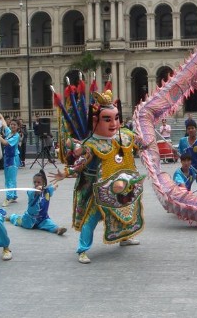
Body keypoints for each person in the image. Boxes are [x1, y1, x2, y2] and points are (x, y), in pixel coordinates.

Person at [50, 90, 146, 264]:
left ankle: (124, 238)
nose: (114, 123)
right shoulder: (92, 144)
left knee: (125, 212)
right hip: (99, 189)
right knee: (91, 219)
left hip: (123, 186)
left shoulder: (124, 135)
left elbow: (141, 144)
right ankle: (82, 250)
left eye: (116, 118)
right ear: (95, 121)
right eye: (107, 119)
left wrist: (147, 142)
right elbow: (81, 164)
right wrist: (66, 172)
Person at [7, 169, 67, 236]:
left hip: (43, 218)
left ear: (43, 182)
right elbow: (36, 191)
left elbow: (54, 186)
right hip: (29, 219)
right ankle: (12, 217)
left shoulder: (47, 191)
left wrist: (57, 182)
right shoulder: (31, 191)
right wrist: (38, 189)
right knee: (19, 221)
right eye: (35, 182)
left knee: (50, 224)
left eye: (39, 182)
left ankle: (58, 230)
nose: (36, 184)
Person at [0, 115, 20, 207]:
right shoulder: (9, 133)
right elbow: (5, 125)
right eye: (12, 124)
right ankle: (13, 195)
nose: (12, 126)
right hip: (7, 158)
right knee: (9, 178)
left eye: (15, 125)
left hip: (12, 159)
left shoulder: (16, 136)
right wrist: (0, 116)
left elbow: (6, 143)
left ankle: (8, 197)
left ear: (18, 127)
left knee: (10, 179)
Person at [178, 120, 197, 193]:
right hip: (186, 170)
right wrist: (175, 152)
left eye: (192, 128)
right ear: (186, 130)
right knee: (184, 190)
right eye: (188, 128)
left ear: (196, 129)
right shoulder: (182, 141)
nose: (190, 130)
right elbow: (179, 154)